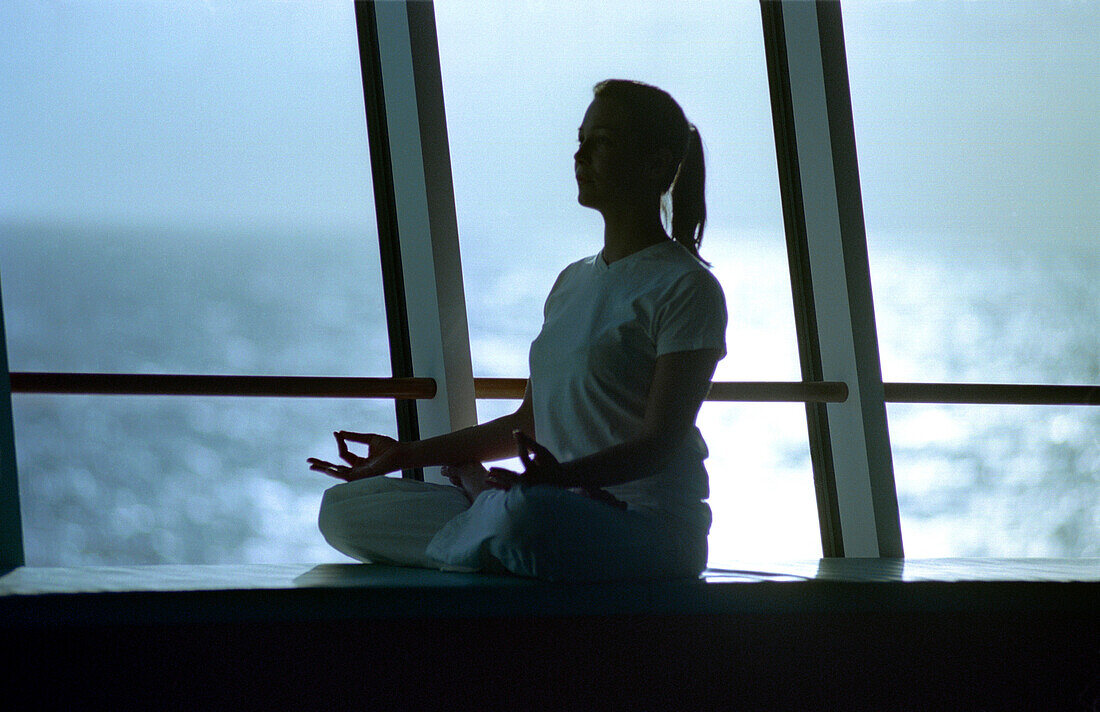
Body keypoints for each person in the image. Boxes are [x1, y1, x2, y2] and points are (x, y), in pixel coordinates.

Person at [308, 79, 727, 582]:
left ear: (656, 164)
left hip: (644, 528)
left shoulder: (686, 286)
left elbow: (660, 442)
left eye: (604, 142)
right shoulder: (572, 281)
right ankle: (489, 519)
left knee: (527, 518)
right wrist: (407, 454)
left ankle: (487, 511)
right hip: (553, 505)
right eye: (581, 139)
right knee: (344, 510)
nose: (581, 154)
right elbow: (527, 424)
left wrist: (555, 482)